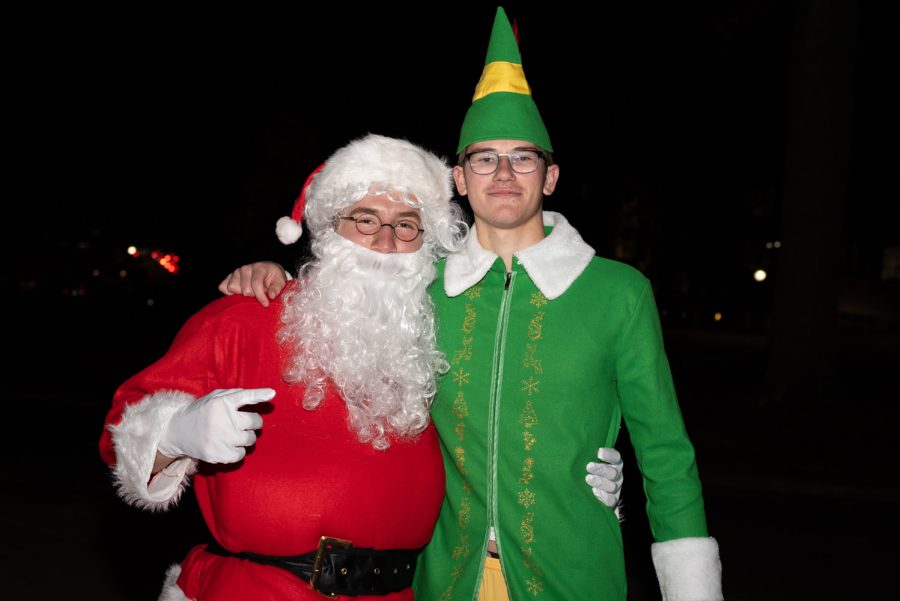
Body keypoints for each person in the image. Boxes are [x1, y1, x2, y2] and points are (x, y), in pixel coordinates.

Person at [220, 7, 722, 601]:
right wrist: (272, 274)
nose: (503, 173)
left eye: (523, 157)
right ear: (459, 178)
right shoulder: (415, 284)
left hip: (574, 577)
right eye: (484, 157)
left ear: (551, 175)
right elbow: (340, 303)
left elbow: (666, 455)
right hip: (445, 581)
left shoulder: (619, 292)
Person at [99, 134, 478, 600]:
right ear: (327, 229)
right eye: (365, 219)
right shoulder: (245, 316)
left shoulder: (431, 340)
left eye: (406, 225)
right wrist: (175, 433)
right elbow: (119, 436)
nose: (385, 241)